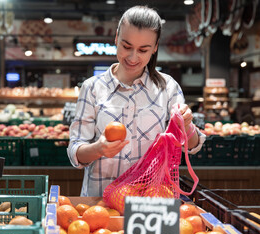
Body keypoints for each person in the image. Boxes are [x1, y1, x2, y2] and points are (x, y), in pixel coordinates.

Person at [67, 5, 206, 197]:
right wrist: (98, 149)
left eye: (143, 50)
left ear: (155, 48)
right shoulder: (92, 88)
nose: (133, 57)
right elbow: (75, 151)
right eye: (126, 46)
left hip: (150, 203)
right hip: (100, 205)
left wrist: (186, 124)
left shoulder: (168, 88)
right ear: (116, 38)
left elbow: (191, 146)